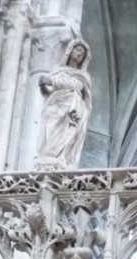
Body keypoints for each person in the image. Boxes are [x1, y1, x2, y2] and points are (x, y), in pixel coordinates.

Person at [35, 39, 92, 170]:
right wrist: (44, 86)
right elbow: (48, 92)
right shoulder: (57, 70)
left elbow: (77, 85)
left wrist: (51, 81)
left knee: (66, 135)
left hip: (71, 106)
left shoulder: (82, 75)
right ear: (70, 50)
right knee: (48, 133)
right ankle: (46, 159)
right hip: (53, 105)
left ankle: (60, 160)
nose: (80, 55)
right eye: (78, 50)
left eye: (83, 54)